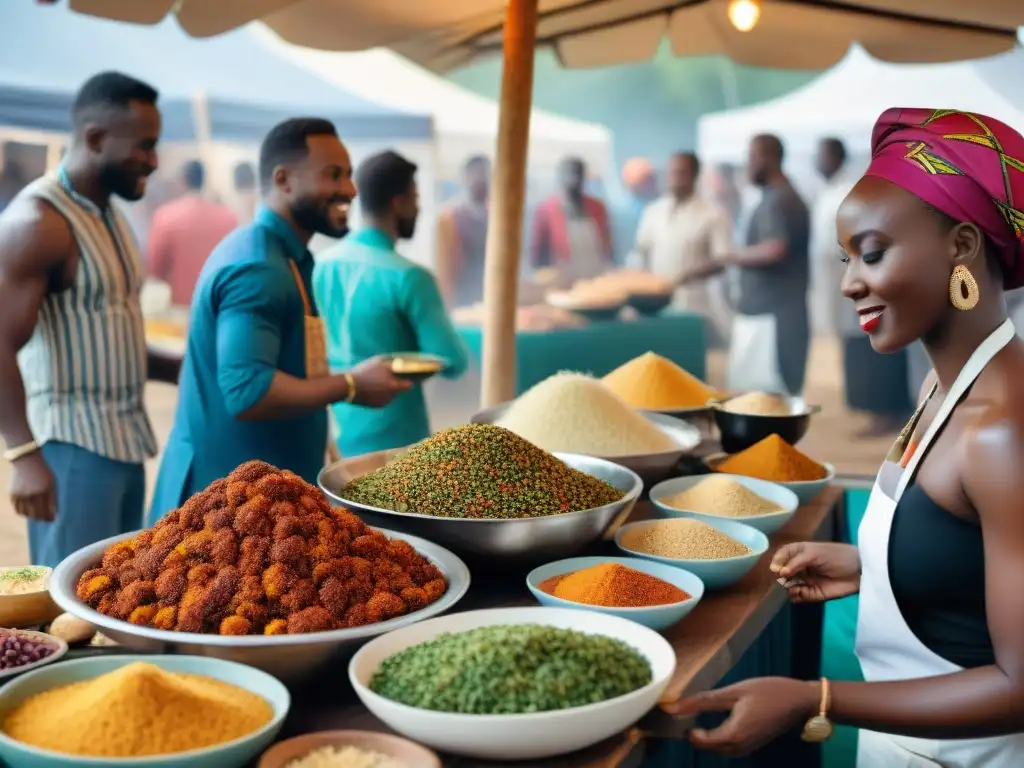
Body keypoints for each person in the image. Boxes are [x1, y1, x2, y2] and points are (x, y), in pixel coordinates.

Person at [667, 108, 1024, 766]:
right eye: (845, 257)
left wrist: (816, 698)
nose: (848, 282)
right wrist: (876, 569)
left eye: (873, 253)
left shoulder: (1002, 433)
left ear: (962, 247)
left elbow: (1019, 685)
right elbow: (968, 558)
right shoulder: (939, 389)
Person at [148, 118, 411, 524]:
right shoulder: (258, 267)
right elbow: (247, 390)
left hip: (262, 509)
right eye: (333, 175)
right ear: (283, 180)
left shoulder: (287, 257)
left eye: (349, 175)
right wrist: (352, 384)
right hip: (221, 518)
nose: (350, 190)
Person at [0, 71, 180, 567]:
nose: (153, 159)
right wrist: (23, 456)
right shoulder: (38, 222)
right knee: (71, 607)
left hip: (125, 446)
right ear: (97, 138)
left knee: (115, 598)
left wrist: (189, 370)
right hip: (70, 454)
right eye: (144, 146)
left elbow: (104, 336)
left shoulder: (110, 212)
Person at [314, 150, 469, 458]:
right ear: (398, 202)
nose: (419, 208)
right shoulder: (410, 277)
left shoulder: (320, 264)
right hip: (398, 443)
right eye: (415, 198)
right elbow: (453, 360)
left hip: (338, 433)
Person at [681, 134, 811, 395]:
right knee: (755, 401)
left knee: (773, 401)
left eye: (752, 157)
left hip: (775, 318)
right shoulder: (771, 197)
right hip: (762, 316)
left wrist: (727, 256)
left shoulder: (783, 199)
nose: (747, 165)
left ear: (770, 158)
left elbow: (775, 249)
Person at [813, 137, 913, 436]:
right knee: (856, 348)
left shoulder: (853, 190)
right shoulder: (829, 191)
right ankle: (875, 412)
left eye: (823, 155)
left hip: (863, 279)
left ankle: (887, 413)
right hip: (835, 282)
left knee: (875, 347)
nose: (818, 161)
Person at [634, 152, 733, 341]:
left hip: (696, 309)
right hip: (656, 308)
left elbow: (722, 260)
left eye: (680, 173)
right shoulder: (653, 211)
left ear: (694, 176)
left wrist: (686, 276)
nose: (674, 179)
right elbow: (641, 253)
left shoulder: (713, 214)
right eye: (671, 173)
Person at [146, 159, 238, 306]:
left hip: (183, 310)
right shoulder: (228, 218)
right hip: (220, 307)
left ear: (183, 181)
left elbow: (155, 269)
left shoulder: (166, 217)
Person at [528, 156, 612, 280]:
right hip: (562, 279)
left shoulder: (597, 208)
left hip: (595, 276)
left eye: (578, 174)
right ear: (560, 177)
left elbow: (607, 244)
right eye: (568, 174)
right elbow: (538, 252)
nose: (573, 179)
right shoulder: (547, 210)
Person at [435, 155, 490, 308]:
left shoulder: (496, 217)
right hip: (460, 298)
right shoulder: (449, 217)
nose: (481, 180)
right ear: (465, 177)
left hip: (490, 294)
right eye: (476, 174)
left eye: (485, 174)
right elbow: (443, 269)